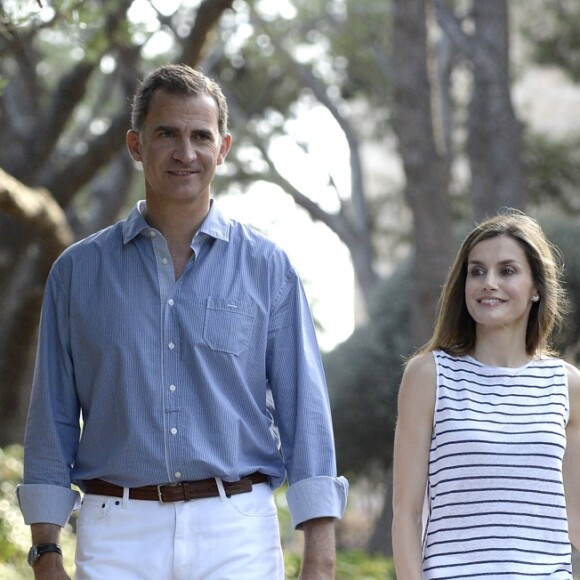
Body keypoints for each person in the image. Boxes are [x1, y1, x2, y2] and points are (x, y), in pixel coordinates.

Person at [17, 63, 348, 580]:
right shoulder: (77, 273)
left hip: (237, 529)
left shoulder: (268, 269)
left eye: (200, 136)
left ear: (223, 148)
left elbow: (304, 413)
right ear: (135, 144)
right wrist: (46, 551)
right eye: (166, 134)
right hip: (115, 533)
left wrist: (321, 557)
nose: (185, 152)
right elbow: (53, 417)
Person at [392, 210, 580, 579]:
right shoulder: (430, 375)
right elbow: (407, 514)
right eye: (476, 271)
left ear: (536, 287)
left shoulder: (568, 385)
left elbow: (576, 515)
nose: (488, 282)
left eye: (507, 271)